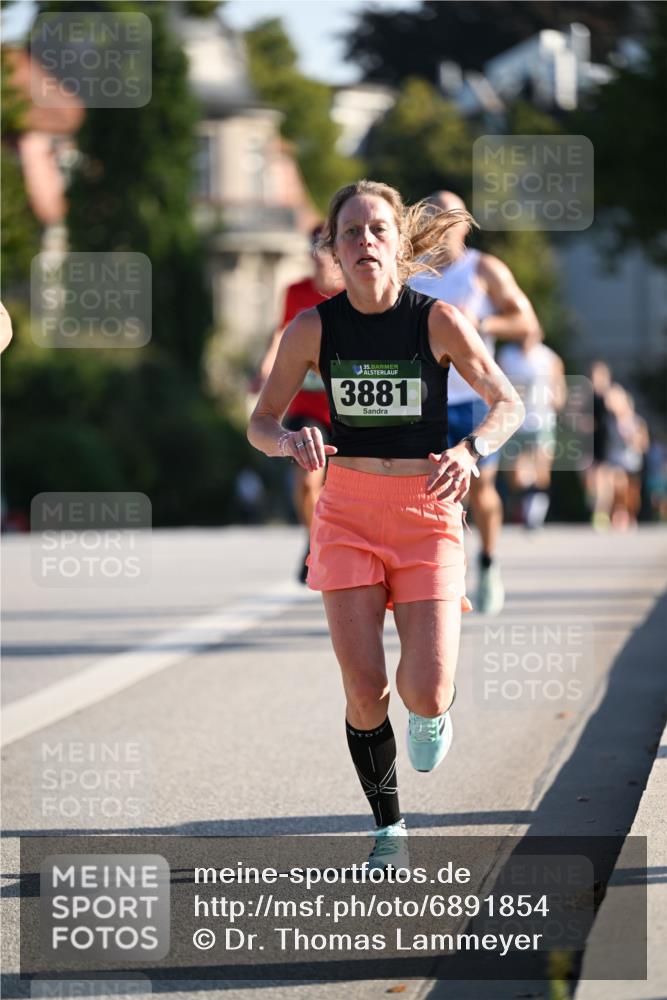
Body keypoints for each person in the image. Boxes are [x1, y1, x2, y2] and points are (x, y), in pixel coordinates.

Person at [248, 180, 524, 869]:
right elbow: (260, 420)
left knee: (422, 689)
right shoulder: (312, 327)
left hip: (426, 513)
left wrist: (470, 450)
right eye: (350, 233)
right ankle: (388, 828)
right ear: (333, 250)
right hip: (345, 512)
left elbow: (506, 402)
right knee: (364, 687)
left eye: (376, 230)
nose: (364, 242)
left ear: (398, 241)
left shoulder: (437, 320)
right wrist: (288, 441)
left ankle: (433, 710)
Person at [409, 191, 540, 613]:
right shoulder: (410, 273)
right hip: (426, 400)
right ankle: (442, 574)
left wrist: (480, 321)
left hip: (475, 399)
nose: (440, 225)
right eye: (431, 216)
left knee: (481, 486)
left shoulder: (482, 269)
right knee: (430, 492)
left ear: (464, 223)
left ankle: (487, 561)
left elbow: (527, 322)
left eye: (448, 217)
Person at [256, 225, 344, 580]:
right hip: (308, 404)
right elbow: (281, 333)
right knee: (307, 480)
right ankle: (315, 539)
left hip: (346, 407)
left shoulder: (353, 294)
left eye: (325, 250)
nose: (318, 258)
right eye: (314, 250)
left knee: (345, 486)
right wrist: (264, 369)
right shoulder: (296, 292)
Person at [497, 337, 567, 529]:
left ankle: (534, 515)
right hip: (516, 422)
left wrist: (556, 399)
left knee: (541, 470)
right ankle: (528, 503)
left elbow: (560, 389)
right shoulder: (506, 355)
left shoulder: (549, 357)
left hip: (542, 421)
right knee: (517, 474)